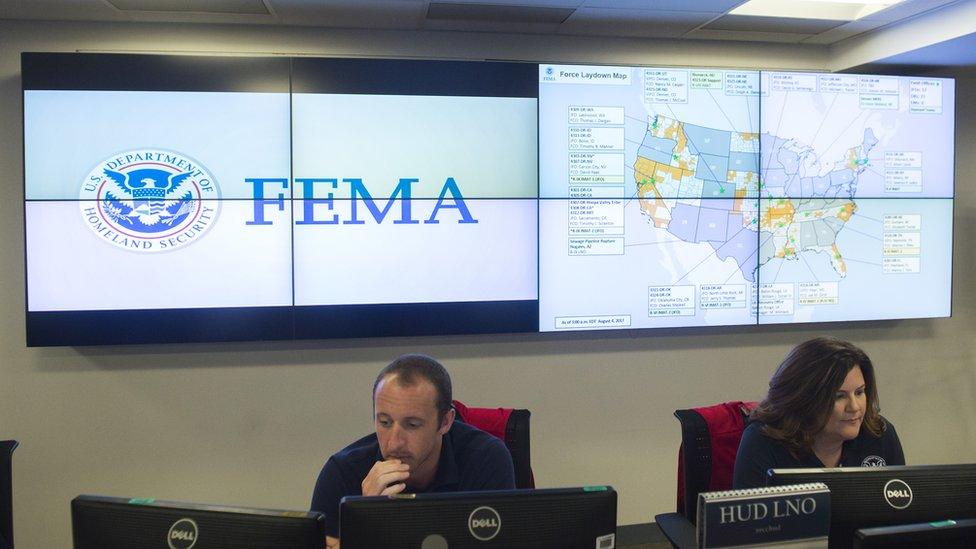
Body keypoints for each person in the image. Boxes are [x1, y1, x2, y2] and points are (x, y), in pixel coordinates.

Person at [311, 354, 516, 548]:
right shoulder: (342, 472)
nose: (394, 442)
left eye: (412, 424)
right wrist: (365, 519)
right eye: (384, 422)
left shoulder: (485, 459)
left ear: (445, 422)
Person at [733, 336, 905, 489]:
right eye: (839, 396)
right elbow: (750, 523)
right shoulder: (763, 440)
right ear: (805, 398)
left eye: (859, 392)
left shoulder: (880, 434)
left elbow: (902, 512)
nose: (854, 407)